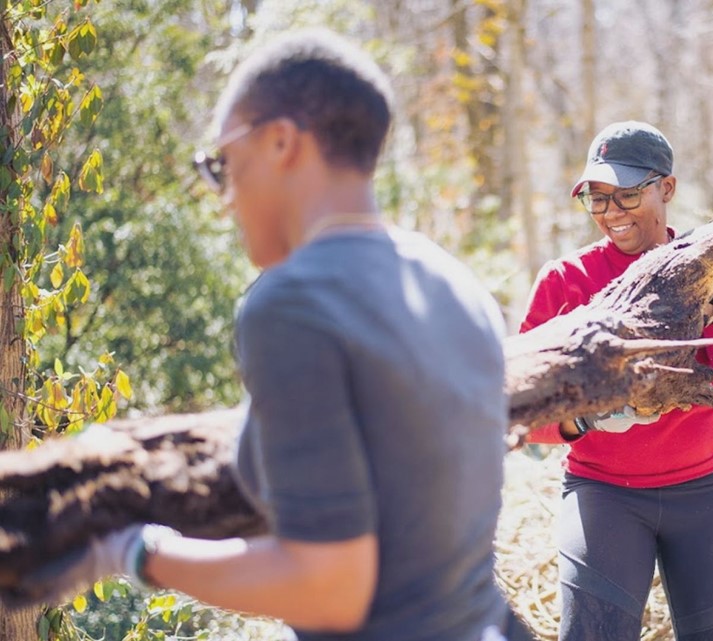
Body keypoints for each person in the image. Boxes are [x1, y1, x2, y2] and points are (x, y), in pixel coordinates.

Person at [10, 29, 519, 641]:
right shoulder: (452, 279)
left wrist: (134, 553)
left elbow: (329, 590)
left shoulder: (296, 300)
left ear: (281, 142)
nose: (224, 198)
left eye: (223, 164)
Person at [519, 121, 713, 641]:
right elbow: (525, 411)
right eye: (597, 200)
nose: (612, 213)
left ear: (667, 188)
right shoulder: (565, 282)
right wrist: (584, 418)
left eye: (628, 195)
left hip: (710, 497)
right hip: (604, 498)